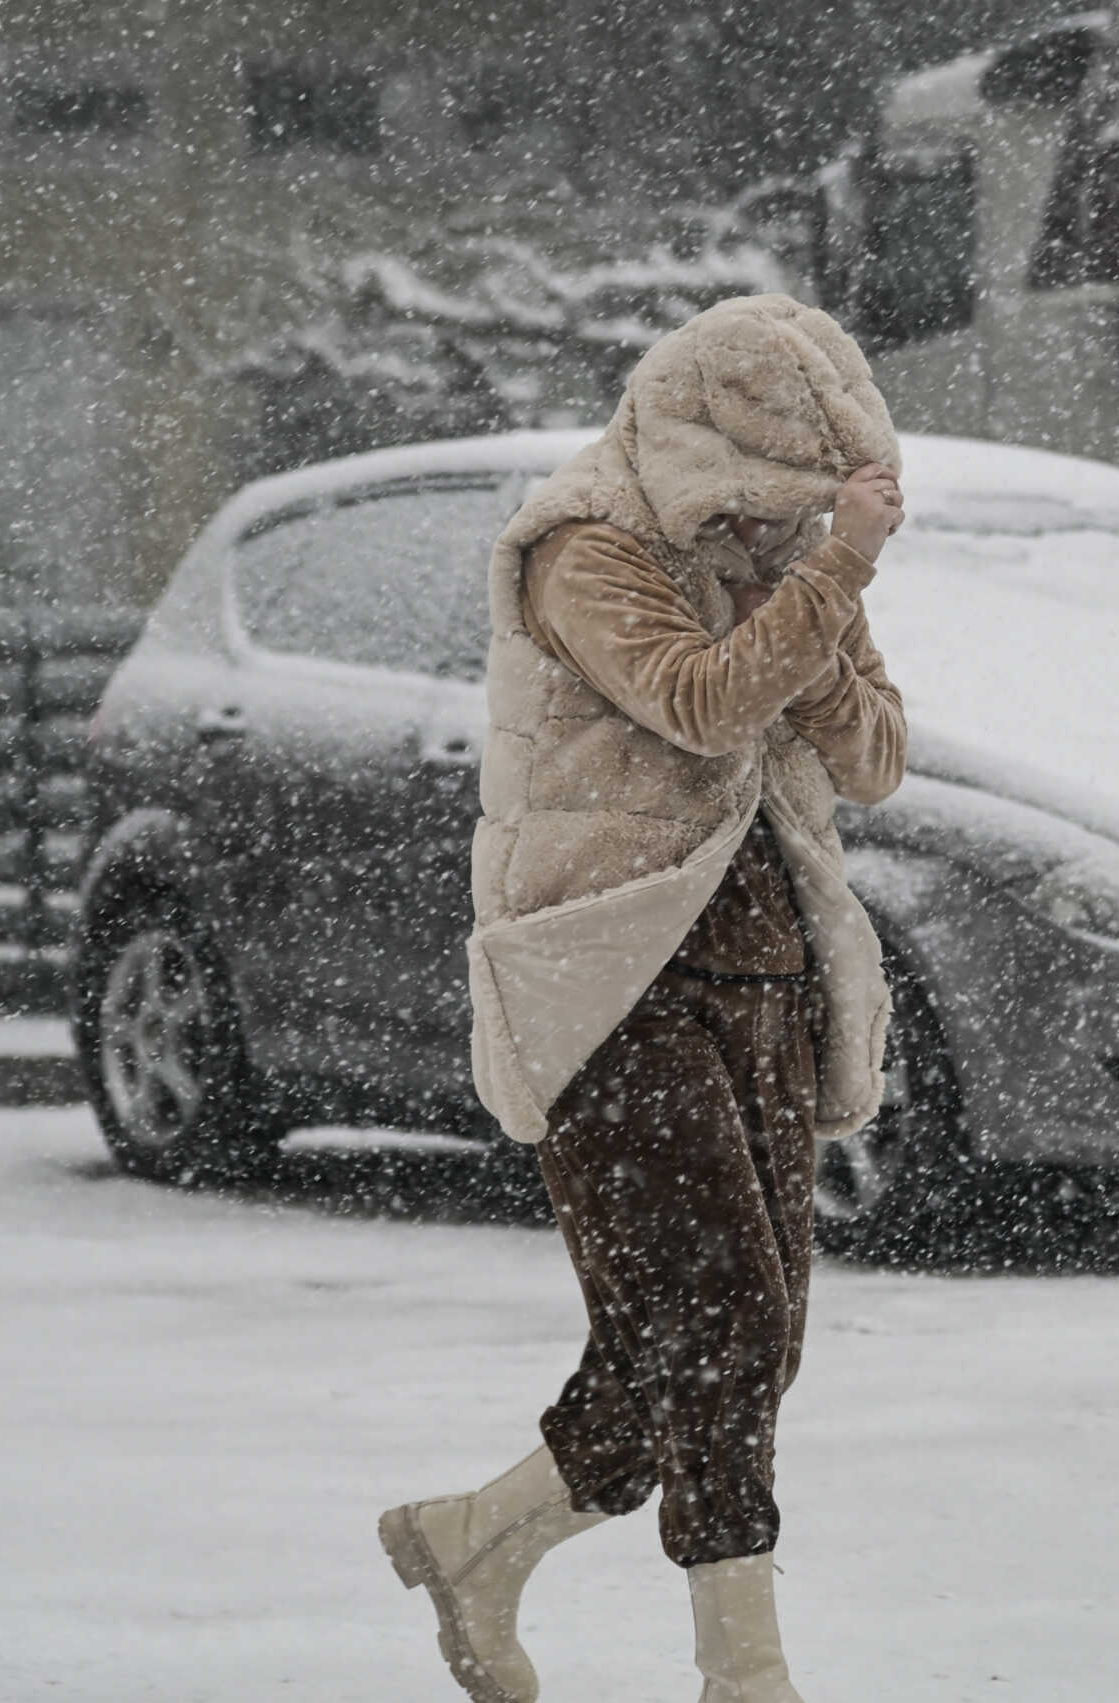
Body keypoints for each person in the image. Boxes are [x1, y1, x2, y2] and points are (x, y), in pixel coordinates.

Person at [379, 293, 907, 1703]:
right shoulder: (585, 550)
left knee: (729, 1338)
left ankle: (478, 1541)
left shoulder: (790, 565)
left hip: (767, 970)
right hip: (607, 976)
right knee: (721, 1315)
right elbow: (698, 702)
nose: (766, 531)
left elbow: (874, 761)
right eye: (754, 506)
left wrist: (822, 599)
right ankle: (745, 1673)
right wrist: (826, 579)